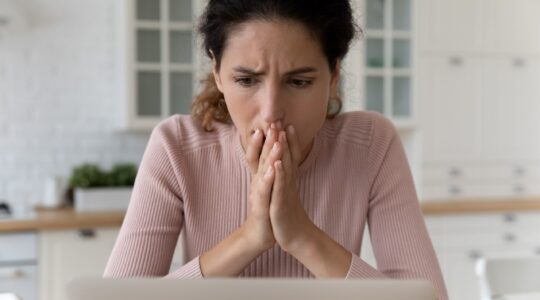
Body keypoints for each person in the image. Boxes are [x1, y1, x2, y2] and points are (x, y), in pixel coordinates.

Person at [104, 0, 449, 299]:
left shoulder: (370, 145)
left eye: (298, 82)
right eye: (246, 80)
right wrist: (250, 238)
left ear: (333, 75)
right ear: (218, 72)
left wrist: (301, 235)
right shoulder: (177, 148)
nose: (271, 111)